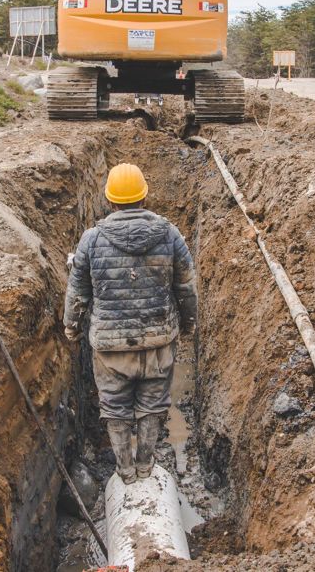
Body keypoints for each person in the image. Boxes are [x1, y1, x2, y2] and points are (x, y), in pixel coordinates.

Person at [64, 163, 197, 483]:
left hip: (111, 347)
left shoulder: (92, 240)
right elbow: (186, 286)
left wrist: (72, 326)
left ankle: (124, 471)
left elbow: (77, 291)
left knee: (115, 409)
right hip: (158, 341)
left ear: (110, 201)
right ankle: (145, 465)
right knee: (153, 406)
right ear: (144, 196)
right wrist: (189, 323)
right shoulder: (169, 234)